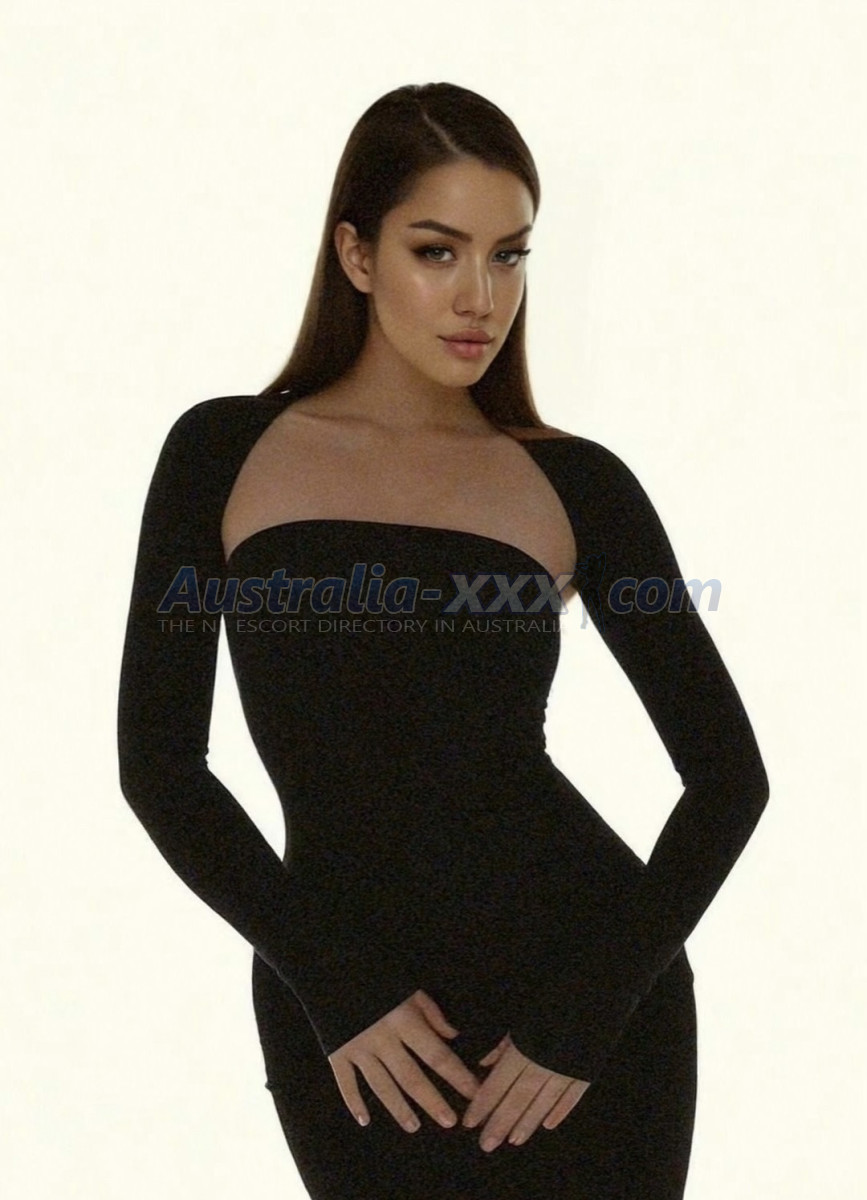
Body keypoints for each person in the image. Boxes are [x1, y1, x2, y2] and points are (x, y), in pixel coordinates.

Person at [117, 82, 769, 1199]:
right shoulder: (220, 453)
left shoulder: (579, 486)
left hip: (583, 1017)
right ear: (356, 255)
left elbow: (728, 780)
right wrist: (330, 979)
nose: (481, 297)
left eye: (508, 256)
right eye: (437, 252)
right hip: (354, 1023)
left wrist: (590, 1013)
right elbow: (161, 766)